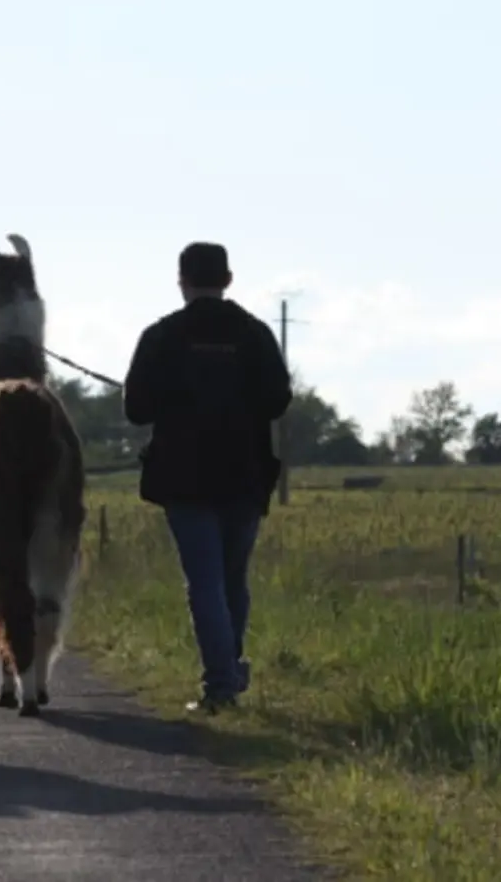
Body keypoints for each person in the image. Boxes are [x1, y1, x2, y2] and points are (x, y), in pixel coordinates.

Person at [122, 242, 292, 715]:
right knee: (232, 579)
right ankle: (228, 672)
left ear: (182, 280)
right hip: (246, 475)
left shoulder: (162, 336)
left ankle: (222, 683)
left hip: (185, 479)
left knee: (205, 582)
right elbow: (278, 399)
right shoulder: (255, 334)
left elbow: (136, 409)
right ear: (229, 279)